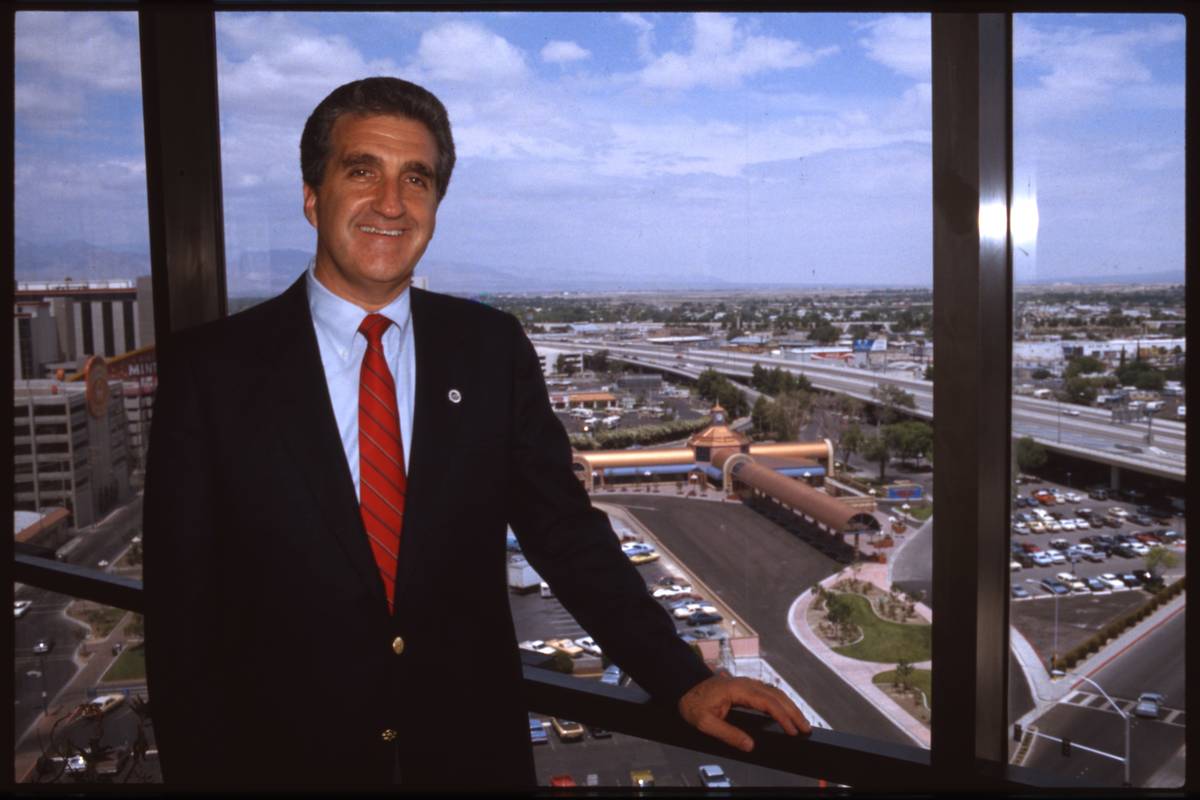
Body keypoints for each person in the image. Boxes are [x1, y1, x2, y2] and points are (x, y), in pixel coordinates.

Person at [143, 76, 809, 792]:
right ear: (313, 196)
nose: (391, 203)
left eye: (417, 180)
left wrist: (682, 677)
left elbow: (565, 533)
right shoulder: (213, 371)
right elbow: (183, 619)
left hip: (466, 760)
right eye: (362, 171)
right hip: (284, 765)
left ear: (435, 206)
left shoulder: (489, 349)